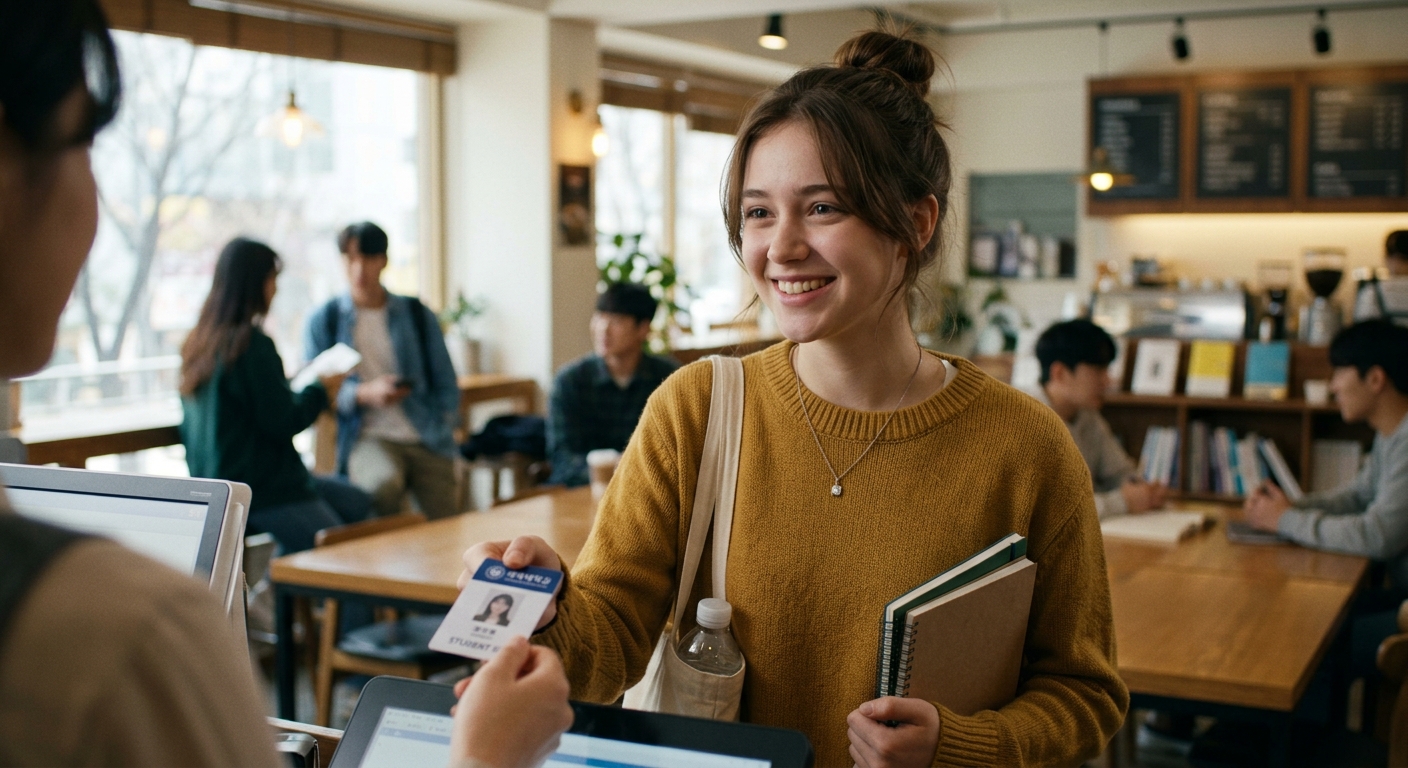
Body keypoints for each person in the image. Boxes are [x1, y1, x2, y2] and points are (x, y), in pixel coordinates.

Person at [461, 29, 1126, 767]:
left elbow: (1084, 694)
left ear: (916, 222)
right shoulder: (696, 410)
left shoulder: (1024, 446)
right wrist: (548, 608)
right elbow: (605, 649)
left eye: (822, 208)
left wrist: (960, 747)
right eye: (758, 213)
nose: (781, 246)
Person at [0, 3, 572, 765]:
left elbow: (432, 382)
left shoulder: (204, 342)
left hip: (279, 471)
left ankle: (384, 639)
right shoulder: (125, 637)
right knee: (360, 506)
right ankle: (381, 645)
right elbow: (283, 418)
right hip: (276, 480)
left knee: (367, 504)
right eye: (86, 146)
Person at [180, 237, 373, 553]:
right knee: (345, 553)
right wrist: (320, 388)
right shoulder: (250, 344)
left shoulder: (200, 344)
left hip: (219, 486)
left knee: (357, 501)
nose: (275, 289)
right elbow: (284, 420)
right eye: (272, 279)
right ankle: (299, 588)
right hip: (266, 488)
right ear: (255, 284)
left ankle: (279, 586)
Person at [305, 222, 461, 519]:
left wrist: (445, 422)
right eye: (350, 259)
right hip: (365, 434)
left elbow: (446, 380)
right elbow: (312, 389)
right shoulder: (325, 320)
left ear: (384, 261)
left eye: (368, 258)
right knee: (381, 490)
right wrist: (363, 394)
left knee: (447, 521)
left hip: (426, 431)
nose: (359, 269)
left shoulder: (415, 314)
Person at [1246, 320, 1408, 580]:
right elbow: (1357, 498)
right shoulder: (1390, 434)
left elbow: (1378, 536)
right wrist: (1285, 508)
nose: (1333, 387)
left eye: (1340, 373)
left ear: (1376, 379)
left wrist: (1285, 519)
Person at [1027, 319, 1167, 518]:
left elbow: (1119, 473)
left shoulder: (1087, 415)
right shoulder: (1025, 423)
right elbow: (1049, 514)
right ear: (1060, 373)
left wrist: (1143, 490)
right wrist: (1123, 502)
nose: (1108, 381)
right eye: (1098, 370)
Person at [547, 282, 680, 487]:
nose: (603, 329)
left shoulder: (668, 379)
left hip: (648, 494)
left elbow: (679, 452)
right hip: (582, 494)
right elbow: (562, 459)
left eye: (616, 321)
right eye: (599, 317)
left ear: (643, 329)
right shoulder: (571, 381)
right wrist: (614, 469)